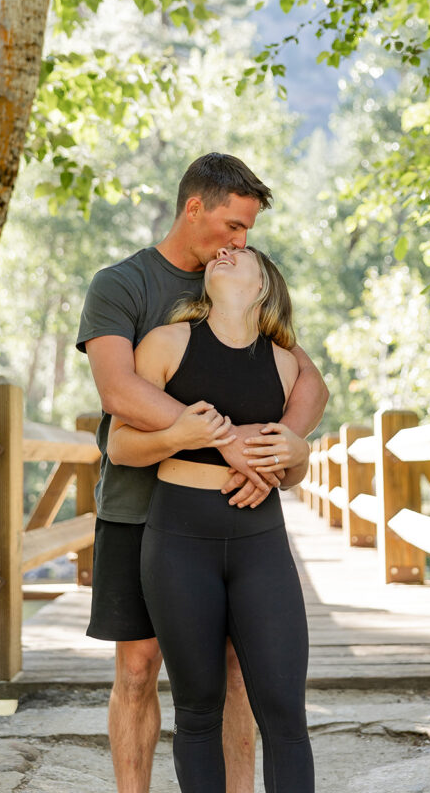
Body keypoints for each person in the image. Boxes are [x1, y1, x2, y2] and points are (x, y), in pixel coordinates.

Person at [77, 152, 328, 793]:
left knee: (238, 676)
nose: (241, 242)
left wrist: (283, 448)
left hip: (239, 518)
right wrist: (229, 443)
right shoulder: (122, 285)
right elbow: (119, 391)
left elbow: (309, 383)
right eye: (233, 226)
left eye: (248, 231)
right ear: (195, 209)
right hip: (139, 510)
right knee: (137, 668)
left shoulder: (238, 284)